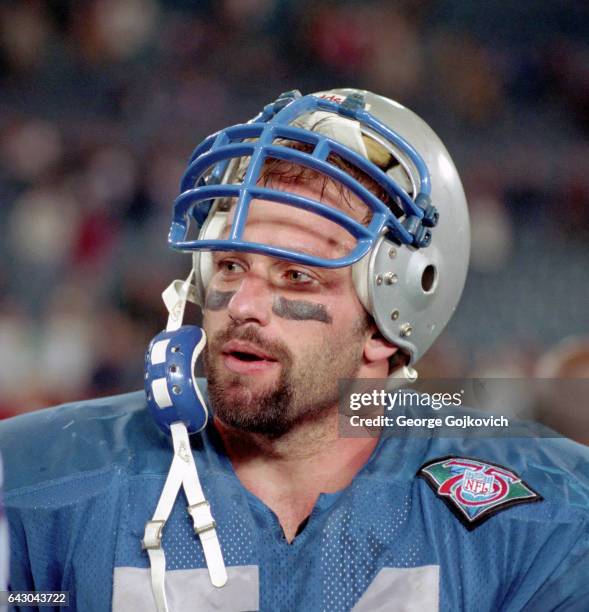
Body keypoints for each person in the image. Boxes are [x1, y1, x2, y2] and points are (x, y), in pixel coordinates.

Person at [1, 89, 588, 612]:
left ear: (389, 320)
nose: (241, 304)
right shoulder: (39, 490)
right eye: (231, 265)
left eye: (295, 276)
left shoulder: (537, 515)